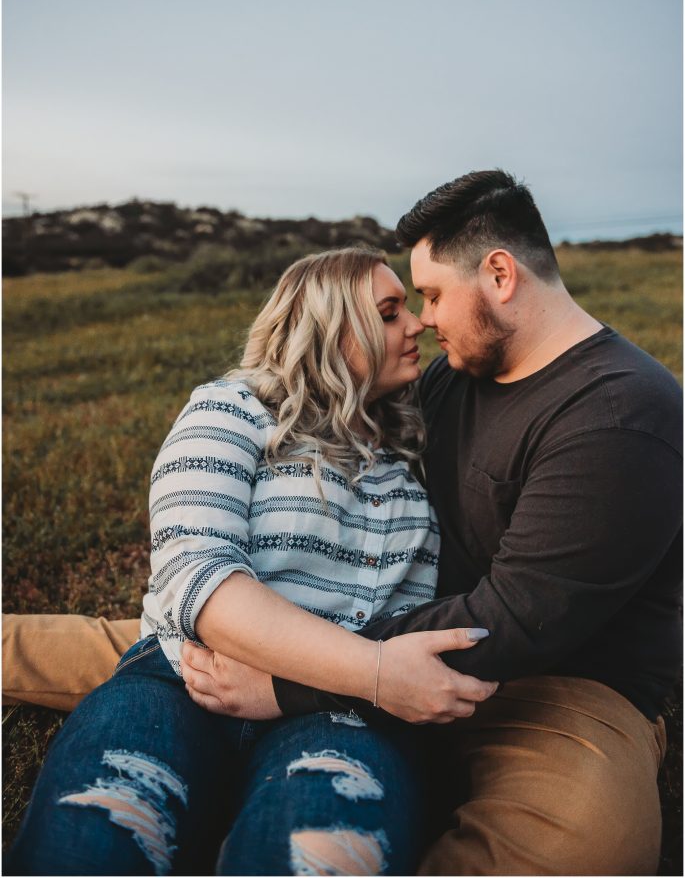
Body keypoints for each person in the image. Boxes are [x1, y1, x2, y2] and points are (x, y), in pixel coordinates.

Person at [5, 169, 682, 874]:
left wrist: (293, 684)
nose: (423, 319)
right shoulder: (450, 378)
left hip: (550, 681)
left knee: (579, 846)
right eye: (406, 305)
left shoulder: (619, 412)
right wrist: (319, 652)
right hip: (358, 636)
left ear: (500, 275)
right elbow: (220, 557)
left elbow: (514, 623)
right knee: (169, 663)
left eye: (429, 295)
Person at [7, 247, 496, 877]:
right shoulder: (231, 409)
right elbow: (198, 577)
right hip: (182, 679)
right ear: (329, 328)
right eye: (389, 312)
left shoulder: (414, 455)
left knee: (324, 853)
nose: (417, 324)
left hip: (341, 708)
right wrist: (376, 669)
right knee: (99, 826)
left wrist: (335, 686)